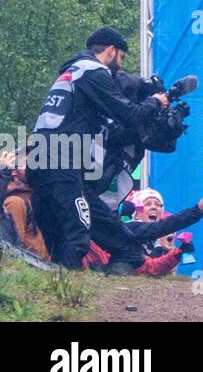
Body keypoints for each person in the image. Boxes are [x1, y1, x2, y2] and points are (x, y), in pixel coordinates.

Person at [27, 27, 171, 271]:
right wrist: (155, 101)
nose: (119, 66)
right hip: (61, 162)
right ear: (111, 51)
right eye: (121, 58)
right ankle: (67, 297)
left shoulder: (70, 73)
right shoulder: (93, 70)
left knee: (108, 237)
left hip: (44, 160)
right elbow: (129, 113)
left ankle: (89, 281)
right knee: (76, 234)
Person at [2, 150, 49, 260]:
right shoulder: (14, 201)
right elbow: (14, 248)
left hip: (45, 266)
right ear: (14, 171)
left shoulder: (35, 195)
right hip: (32, 267)